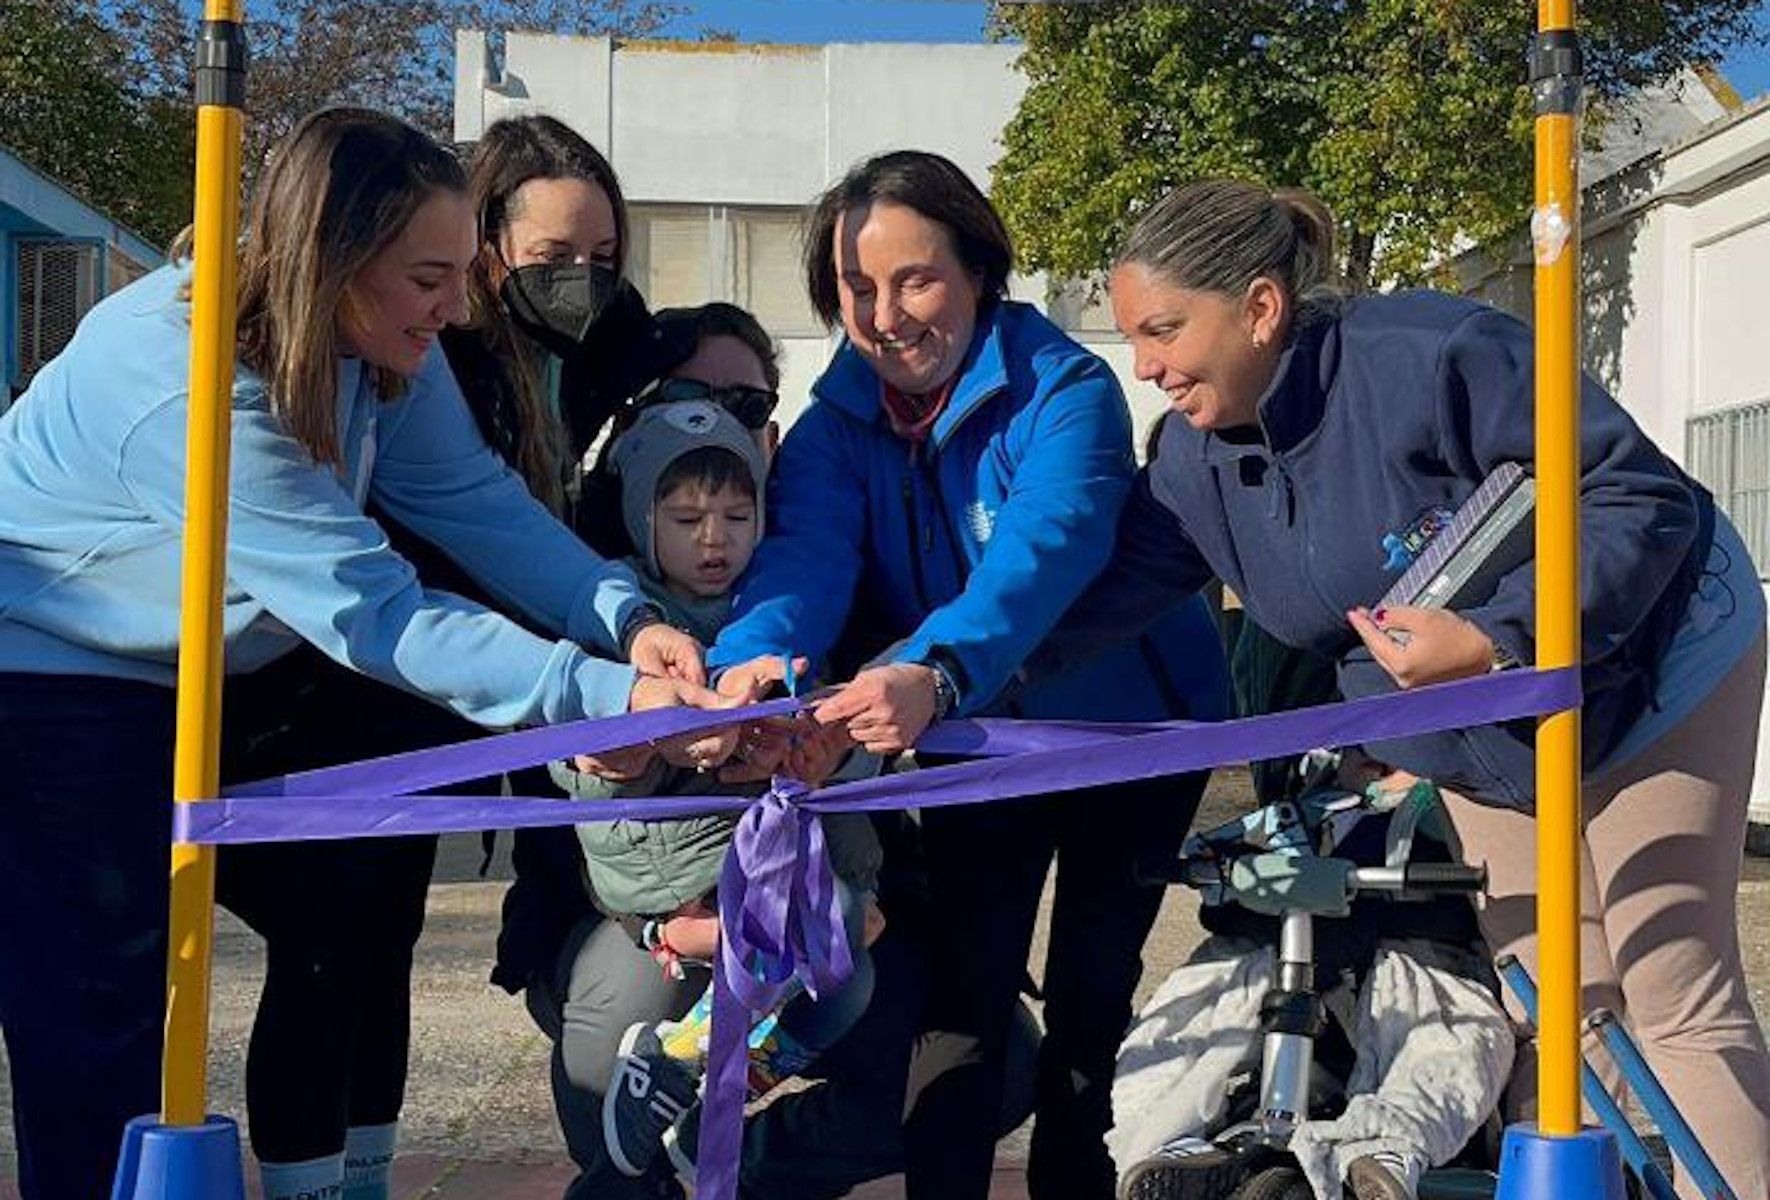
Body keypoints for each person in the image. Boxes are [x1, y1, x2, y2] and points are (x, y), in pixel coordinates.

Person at [0, 107, 720, 1200]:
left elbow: (471, 498)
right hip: (49, 673)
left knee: (336, 931)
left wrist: (621, 614)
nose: (456, 304)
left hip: (190, 668)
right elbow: (375, 611)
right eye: (429, 276)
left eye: (458, 270)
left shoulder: (383, 338)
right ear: (334, 261)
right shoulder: (190, 380)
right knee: (101, 1004)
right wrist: (598, 696)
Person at [1030, 178, 1770, 1199]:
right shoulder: (1193, 462)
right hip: (1478, 725)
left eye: (1164, 330)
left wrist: (1492, 636)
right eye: (1134, 337)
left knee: (1671, 980)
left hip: (1661, 658)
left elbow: (1634, 494)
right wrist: (943, 679)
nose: (1146, 365)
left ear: (1258, 307)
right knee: (1557, 1001)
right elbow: (1102, 600)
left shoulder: (1434, 356)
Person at [709, 149, 1230, 1200]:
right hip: (964, 744)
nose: (888, 313)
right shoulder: (835, 425)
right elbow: (804, 557)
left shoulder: (1066, 390)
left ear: (981, 271)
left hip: (1125, 739)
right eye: (858, 289)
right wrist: (751, 667)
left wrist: (932, 669)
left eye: (916, 278)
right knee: (962, 993)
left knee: (1092, 998)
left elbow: (1042, 556)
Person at [545, 398, 885, 1188]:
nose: (714, 538)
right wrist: (623, 750)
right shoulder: (613, 617)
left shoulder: (786, 608)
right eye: (687, 516)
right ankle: (669, 1042)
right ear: (641, 519)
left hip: (778, 861)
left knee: (850, 979)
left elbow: (850, 745)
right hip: (676, 877)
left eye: (737, 515)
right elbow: (565, 748)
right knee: (832, 920)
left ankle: (704, 1096)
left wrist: (812, 749)